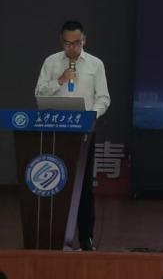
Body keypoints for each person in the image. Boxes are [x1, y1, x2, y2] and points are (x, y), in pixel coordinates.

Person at [34, 20, 110, 251]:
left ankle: (86, 238)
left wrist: (90, 116)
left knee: (83, 187)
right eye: (67, 43)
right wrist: (60, 80)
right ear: (61, 41)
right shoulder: (51, 62)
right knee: (55, 183)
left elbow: (103, 98)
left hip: (84, 131)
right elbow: (39, 94)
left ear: (84, 40)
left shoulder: (95, 64)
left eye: (76, 43)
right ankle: (53, 236)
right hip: (55, 130)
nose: (72, 48)